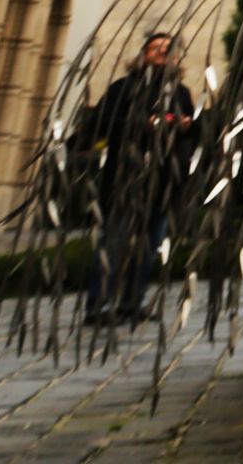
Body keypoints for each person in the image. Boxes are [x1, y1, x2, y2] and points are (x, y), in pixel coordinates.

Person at [72, 32, 197, 326]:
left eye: (168, 50)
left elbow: (194, 129)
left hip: (162, 183)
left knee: (148, 248)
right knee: (113, 245)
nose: (163, 53)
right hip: (124, 181)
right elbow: (101, 123)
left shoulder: (179, 93)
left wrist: (188, 125)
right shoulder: (123, 89)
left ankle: (132, 302)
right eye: (156, 48)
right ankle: (97, 308)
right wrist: (143, 123)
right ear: (143, 55)